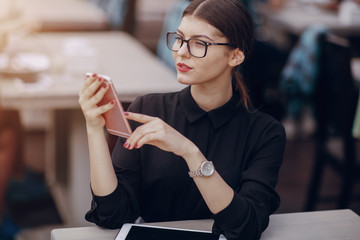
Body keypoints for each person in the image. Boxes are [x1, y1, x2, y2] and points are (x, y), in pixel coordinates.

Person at [79, 0, 286, 239]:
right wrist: (94, 130)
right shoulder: (148, 109)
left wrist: (190, 153)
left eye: (199, 43)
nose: (181, 51)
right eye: (179, 38)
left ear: (235, 55)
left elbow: (246, 227)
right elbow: (111, 214)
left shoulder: (266, 133)